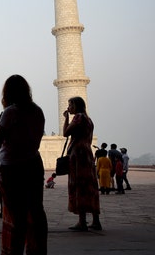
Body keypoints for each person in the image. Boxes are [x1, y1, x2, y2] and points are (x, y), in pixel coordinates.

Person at [0, 75, 47, 255]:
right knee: (37, 209)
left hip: (12, 167)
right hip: (33, 163)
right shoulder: (37, 111)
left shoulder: (10, 112)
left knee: (17, 214)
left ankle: (14, 251)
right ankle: (38, 250)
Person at [63, 96, 102, 231]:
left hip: (78, 155)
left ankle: (82, 222)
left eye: (70, 105)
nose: (69, 108)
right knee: (90, 186)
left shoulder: (78, 117)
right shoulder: (88, 119)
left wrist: (66, 118)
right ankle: (96, 221)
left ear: (76, 106)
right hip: (87, 153)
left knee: (79, 185)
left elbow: (65, 133)